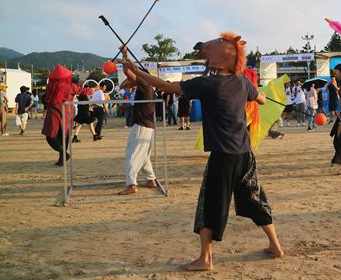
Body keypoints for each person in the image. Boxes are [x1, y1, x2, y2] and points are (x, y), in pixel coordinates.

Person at [121, 35, 282, 271]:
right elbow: (261, 99)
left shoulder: (207, 84)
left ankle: (205, 260)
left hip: (223, 156)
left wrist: (137, 70)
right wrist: (253, 93)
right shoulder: (242, 82)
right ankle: (275, 246)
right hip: (245, 154)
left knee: (210, 206)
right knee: (255, 199)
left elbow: (165, 86)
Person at [41, 65, 96, 165]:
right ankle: (63, 154)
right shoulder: (70, 86)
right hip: (66, 114)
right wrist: (94, 89)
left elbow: (45, 98)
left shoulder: (51, 87)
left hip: (53, 113)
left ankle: (62, 157)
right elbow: (83, 91)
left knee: (50, 137)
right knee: (64, 136)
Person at [118, 68, 158, 195]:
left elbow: (127, 77)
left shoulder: (145, 84)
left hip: (142, 126)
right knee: (144, 156)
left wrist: (125, 58)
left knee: (132, 154)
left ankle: (132, 184)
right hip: (147, 126)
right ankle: (151, 180)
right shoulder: (147, 87)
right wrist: (128, 107)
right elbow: (124, 85)